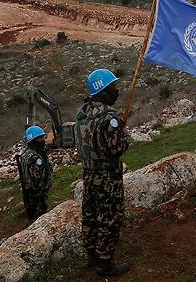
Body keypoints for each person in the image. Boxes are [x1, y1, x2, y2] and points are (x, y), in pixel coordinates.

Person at [75, 68, 130, 277]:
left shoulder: (82, 113)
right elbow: (116, 149)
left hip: (89, 174)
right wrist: (125, 137)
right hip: (108, 177)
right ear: (103, 91)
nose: (116, 91)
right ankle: (105, 264)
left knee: (90, 215)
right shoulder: (109, 117)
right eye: (113, 88)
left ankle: (91, 255)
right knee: (109, 217)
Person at [17, 126, 52, 223]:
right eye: (40, 138)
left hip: (29, 193)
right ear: (33, 141)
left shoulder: (25, 155)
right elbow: (37, 178)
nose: (43, 141)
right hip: (36, 195)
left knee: (32, 216)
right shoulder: (35, 157)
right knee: (39, 220)